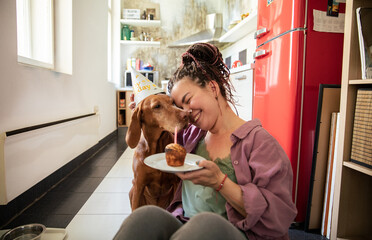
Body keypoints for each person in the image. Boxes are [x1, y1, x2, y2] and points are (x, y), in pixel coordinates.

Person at [114, 43, 297, 240]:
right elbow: (153, 134)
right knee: (143, 218)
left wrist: (220, 182)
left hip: (239, 233)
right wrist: (144, 113)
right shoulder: (191, 136)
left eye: (188, 99)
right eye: (179, 106)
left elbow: (278, 218)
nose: (185, 112)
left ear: (212, 87)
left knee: (204, 223)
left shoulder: (260, 144)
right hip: (185, 225)